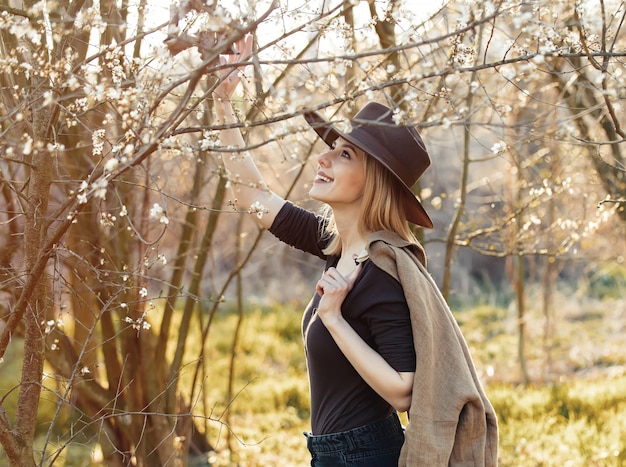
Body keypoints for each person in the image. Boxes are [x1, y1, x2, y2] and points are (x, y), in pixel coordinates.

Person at [213, 36, 498, 467]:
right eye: (332, 148)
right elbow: (253, 197)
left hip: (364, 457)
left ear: (372, 181)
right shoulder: (337, 246)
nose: (324, 159)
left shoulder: (380, 272)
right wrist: (222, 105)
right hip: (334, 454)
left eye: (344, 154)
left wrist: (333, 318)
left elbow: (403, 389)